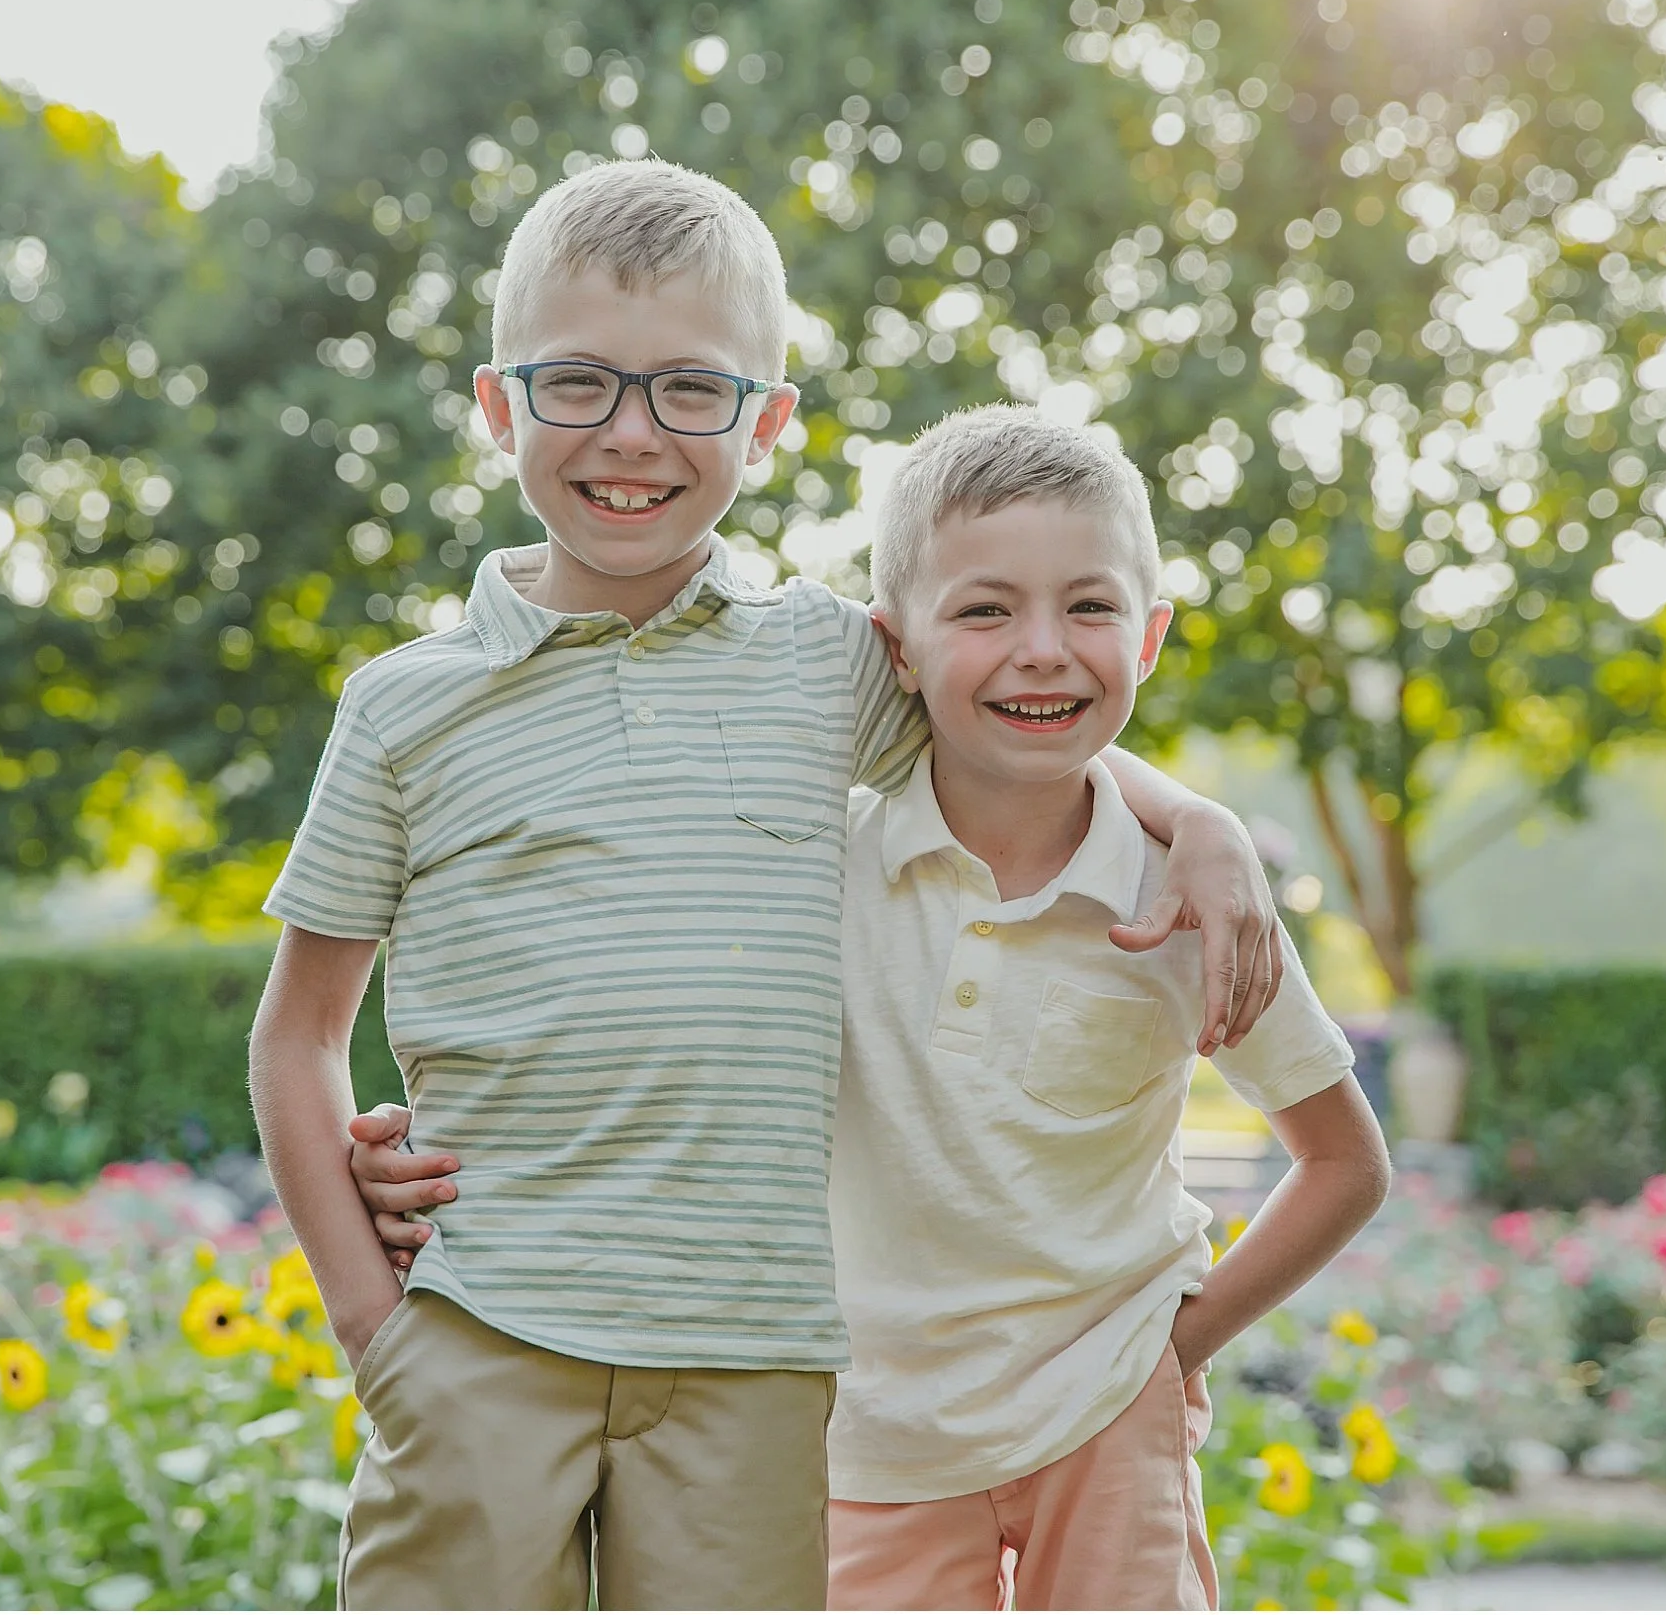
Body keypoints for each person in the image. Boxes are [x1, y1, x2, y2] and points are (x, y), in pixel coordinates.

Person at [248, 159, 1284, 1611]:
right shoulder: (405, 708)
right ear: (497, 404)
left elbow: (1025, 727)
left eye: (689, 390)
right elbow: (297, 1032)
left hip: (758, 1359)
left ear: (767, 422)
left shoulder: (823, 663)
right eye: (577, 385)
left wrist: (1205, 825)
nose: (631, 434)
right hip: (478, 1326)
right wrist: (374, 1328)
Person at [355, 403, 1394, 1611]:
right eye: (984, 609)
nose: (1043, 648)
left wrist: (1174, 1345)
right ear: (894, 647)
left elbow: (1343, 1161)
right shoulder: (808, 867)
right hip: (865, 1436)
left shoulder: (1188, 903)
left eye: (1091, 606)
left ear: (1150, 635)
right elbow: (634, 1016)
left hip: (1112, 1411)